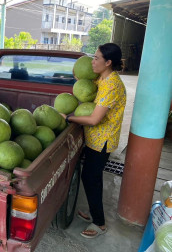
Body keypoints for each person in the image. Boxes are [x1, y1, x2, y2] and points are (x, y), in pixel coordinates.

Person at [61, 43, 126, 239]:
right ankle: (94, 211)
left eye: (97, 58)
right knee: (91, 177)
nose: (93, 61)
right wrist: (78, 74)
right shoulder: (103, 78)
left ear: (108, 62)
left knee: (91, 179)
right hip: (94, 138)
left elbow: (94, 119)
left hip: (102, 140)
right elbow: (85, 83)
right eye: (93, 57)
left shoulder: (112, 85)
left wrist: (68, 118)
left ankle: (100, 223)